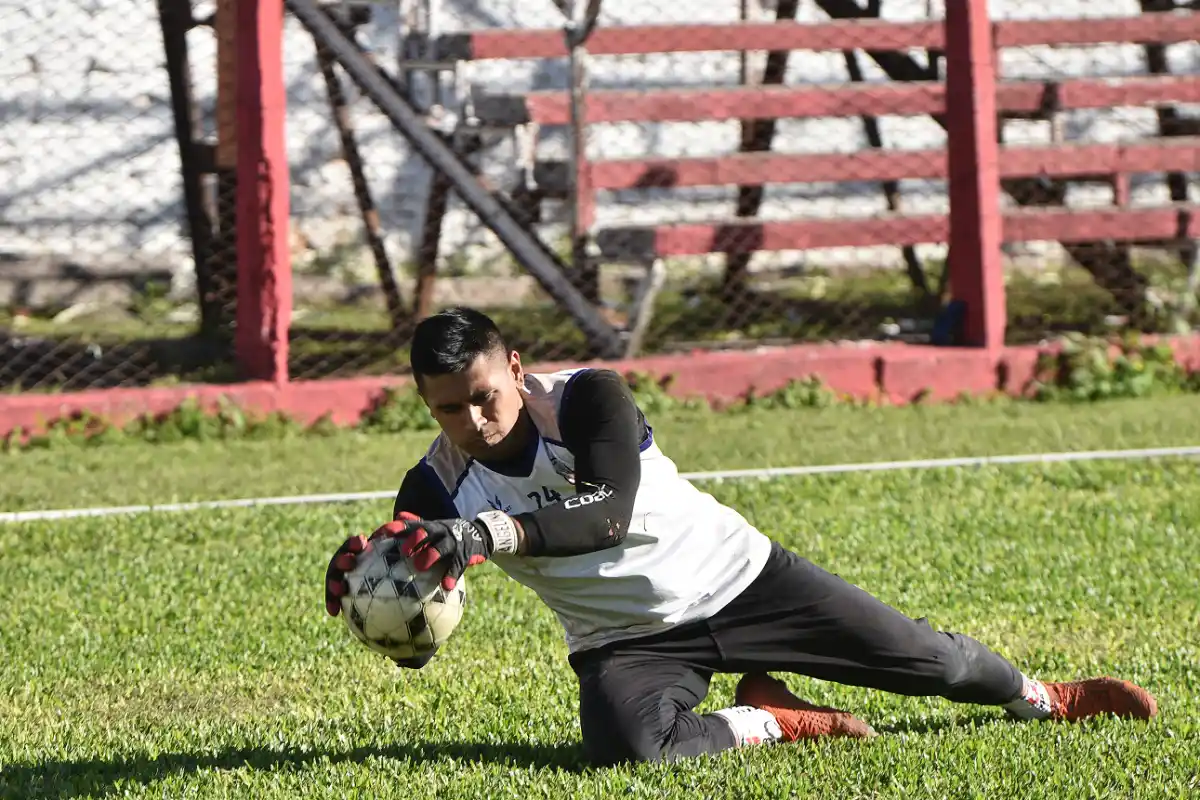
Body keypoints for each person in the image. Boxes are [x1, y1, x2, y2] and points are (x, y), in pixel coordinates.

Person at [324, 306, 1158, 766]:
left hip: (743, 580)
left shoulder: (586, 399)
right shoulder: (433, 488)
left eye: (483, 396)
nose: (473, 421)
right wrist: (377, 600)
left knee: (934, 663)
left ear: (514, 368)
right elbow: (421, 648)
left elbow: (607, 513)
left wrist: (483, 535)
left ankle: (1044, 699)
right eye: (448, 408)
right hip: (625, 641)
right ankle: (769, 720)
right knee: (631, 752)